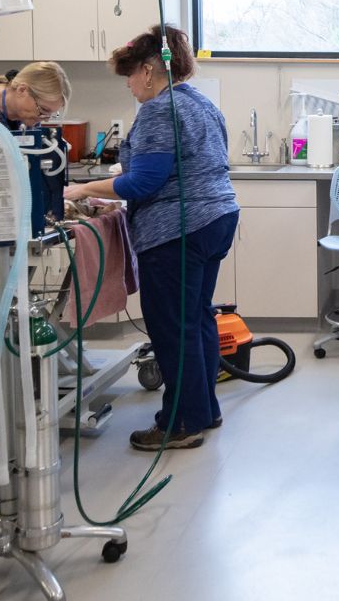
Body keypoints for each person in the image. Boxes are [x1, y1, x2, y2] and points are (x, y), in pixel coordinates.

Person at [67, 25, 237, 451]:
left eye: (129, 75)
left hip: (178, 230)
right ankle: (204, 410)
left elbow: (144, 182)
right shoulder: (200, 103)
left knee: (172, 328)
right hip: (216, 219)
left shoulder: (161, 109)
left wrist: (83, 190)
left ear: (148, 70)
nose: (127, 85)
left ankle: (180, 423)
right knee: (196, 318)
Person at [0, 61, 71, 130]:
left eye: (50, 114)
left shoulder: (27, 118)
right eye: (43, 109)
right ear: (22, 90)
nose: (46, 119)